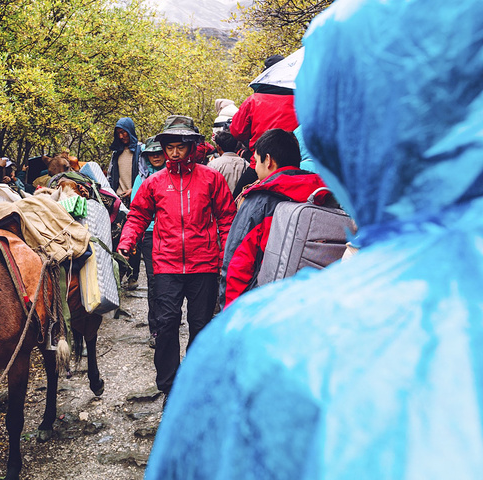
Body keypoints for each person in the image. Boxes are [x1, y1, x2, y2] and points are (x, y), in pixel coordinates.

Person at [146, 0, 483, 478]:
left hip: (200, 269)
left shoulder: (260, 347)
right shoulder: (167, 185)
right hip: (170, 265)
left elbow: (232, 238)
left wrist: (229, 298)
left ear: (334, 132)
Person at [116, 116, 236, 401]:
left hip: (204, 265)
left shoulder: (211, 179)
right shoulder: (154, 183)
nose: (174, 152)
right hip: (167, 265)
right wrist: (127, 241)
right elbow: (138, 215)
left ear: (191, 146)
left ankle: (195, 379)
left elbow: (227, 219)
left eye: (180, 146)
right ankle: (169, 385)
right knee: (166, 323)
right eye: (169, 146)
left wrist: (224, 257)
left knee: (201, 325)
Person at [219, 128, 327, 308]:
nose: (255, 167)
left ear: (268, 160)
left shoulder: (260, 200)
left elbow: (237, 262)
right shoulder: (322, 194)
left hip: (264, 306)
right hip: (311, 305)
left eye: (256, 160)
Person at [130, 137, 167, 348]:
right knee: (154, 281)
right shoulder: (141, 178)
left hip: (170, 233)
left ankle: (167, 319)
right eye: (151, 154)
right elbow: (137, 207)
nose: (155, 157)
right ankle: (155, 328)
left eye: (158, 153)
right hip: (151, 234)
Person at [229, 55, 299, 160]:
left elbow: (237, 131)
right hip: (295, 160)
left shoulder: (254, 100)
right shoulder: (301, 100)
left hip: (261, 160)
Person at [107, 117, 143, 289]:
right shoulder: (116, 154)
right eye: (119, 133)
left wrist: (134, 190)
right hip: (119, 201)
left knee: (134, 239)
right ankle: (119, 274)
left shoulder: (141, 150)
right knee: (118, 238)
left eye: (124, 132)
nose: (122, 136)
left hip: (136, 198)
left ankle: (133, 275)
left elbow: (144, 174)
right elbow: (111, 176)